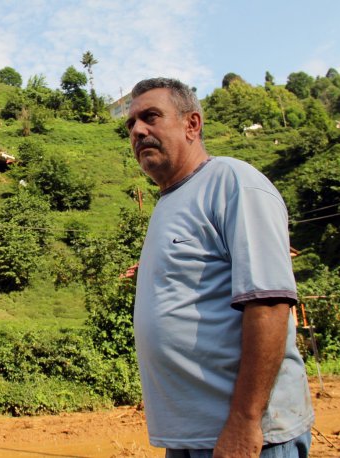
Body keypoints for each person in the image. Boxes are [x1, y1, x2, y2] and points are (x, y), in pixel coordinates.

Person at [127, 77, 314, 457]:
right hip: (189, 437)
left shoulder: (233, 182)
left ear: (192, 124)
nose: (137, 131)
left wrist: (245, 421)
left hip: (248, 436)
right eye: (130, 124)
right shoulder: (167, 204)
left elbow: (269, 304)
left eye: (150, 117)